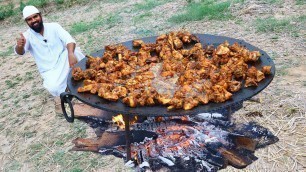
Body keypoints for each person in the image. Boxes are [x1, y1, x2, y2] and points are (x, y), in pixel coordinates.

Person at [15, 5, 103, 116]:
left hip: (64, 60)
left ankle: (87, 77)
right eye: (29, 19)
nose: (34, 20)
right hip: (49, 70)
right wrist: (20, 46)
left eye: (35, 17)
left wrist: (70, 54)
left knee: (75, 52)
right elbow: (20, 52)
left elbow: (69, 40)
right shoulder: (27, 36)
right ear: (26, 22)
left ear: (40, 15)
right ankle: (71, 90)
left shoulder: (54, 27)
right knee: (54, 87)